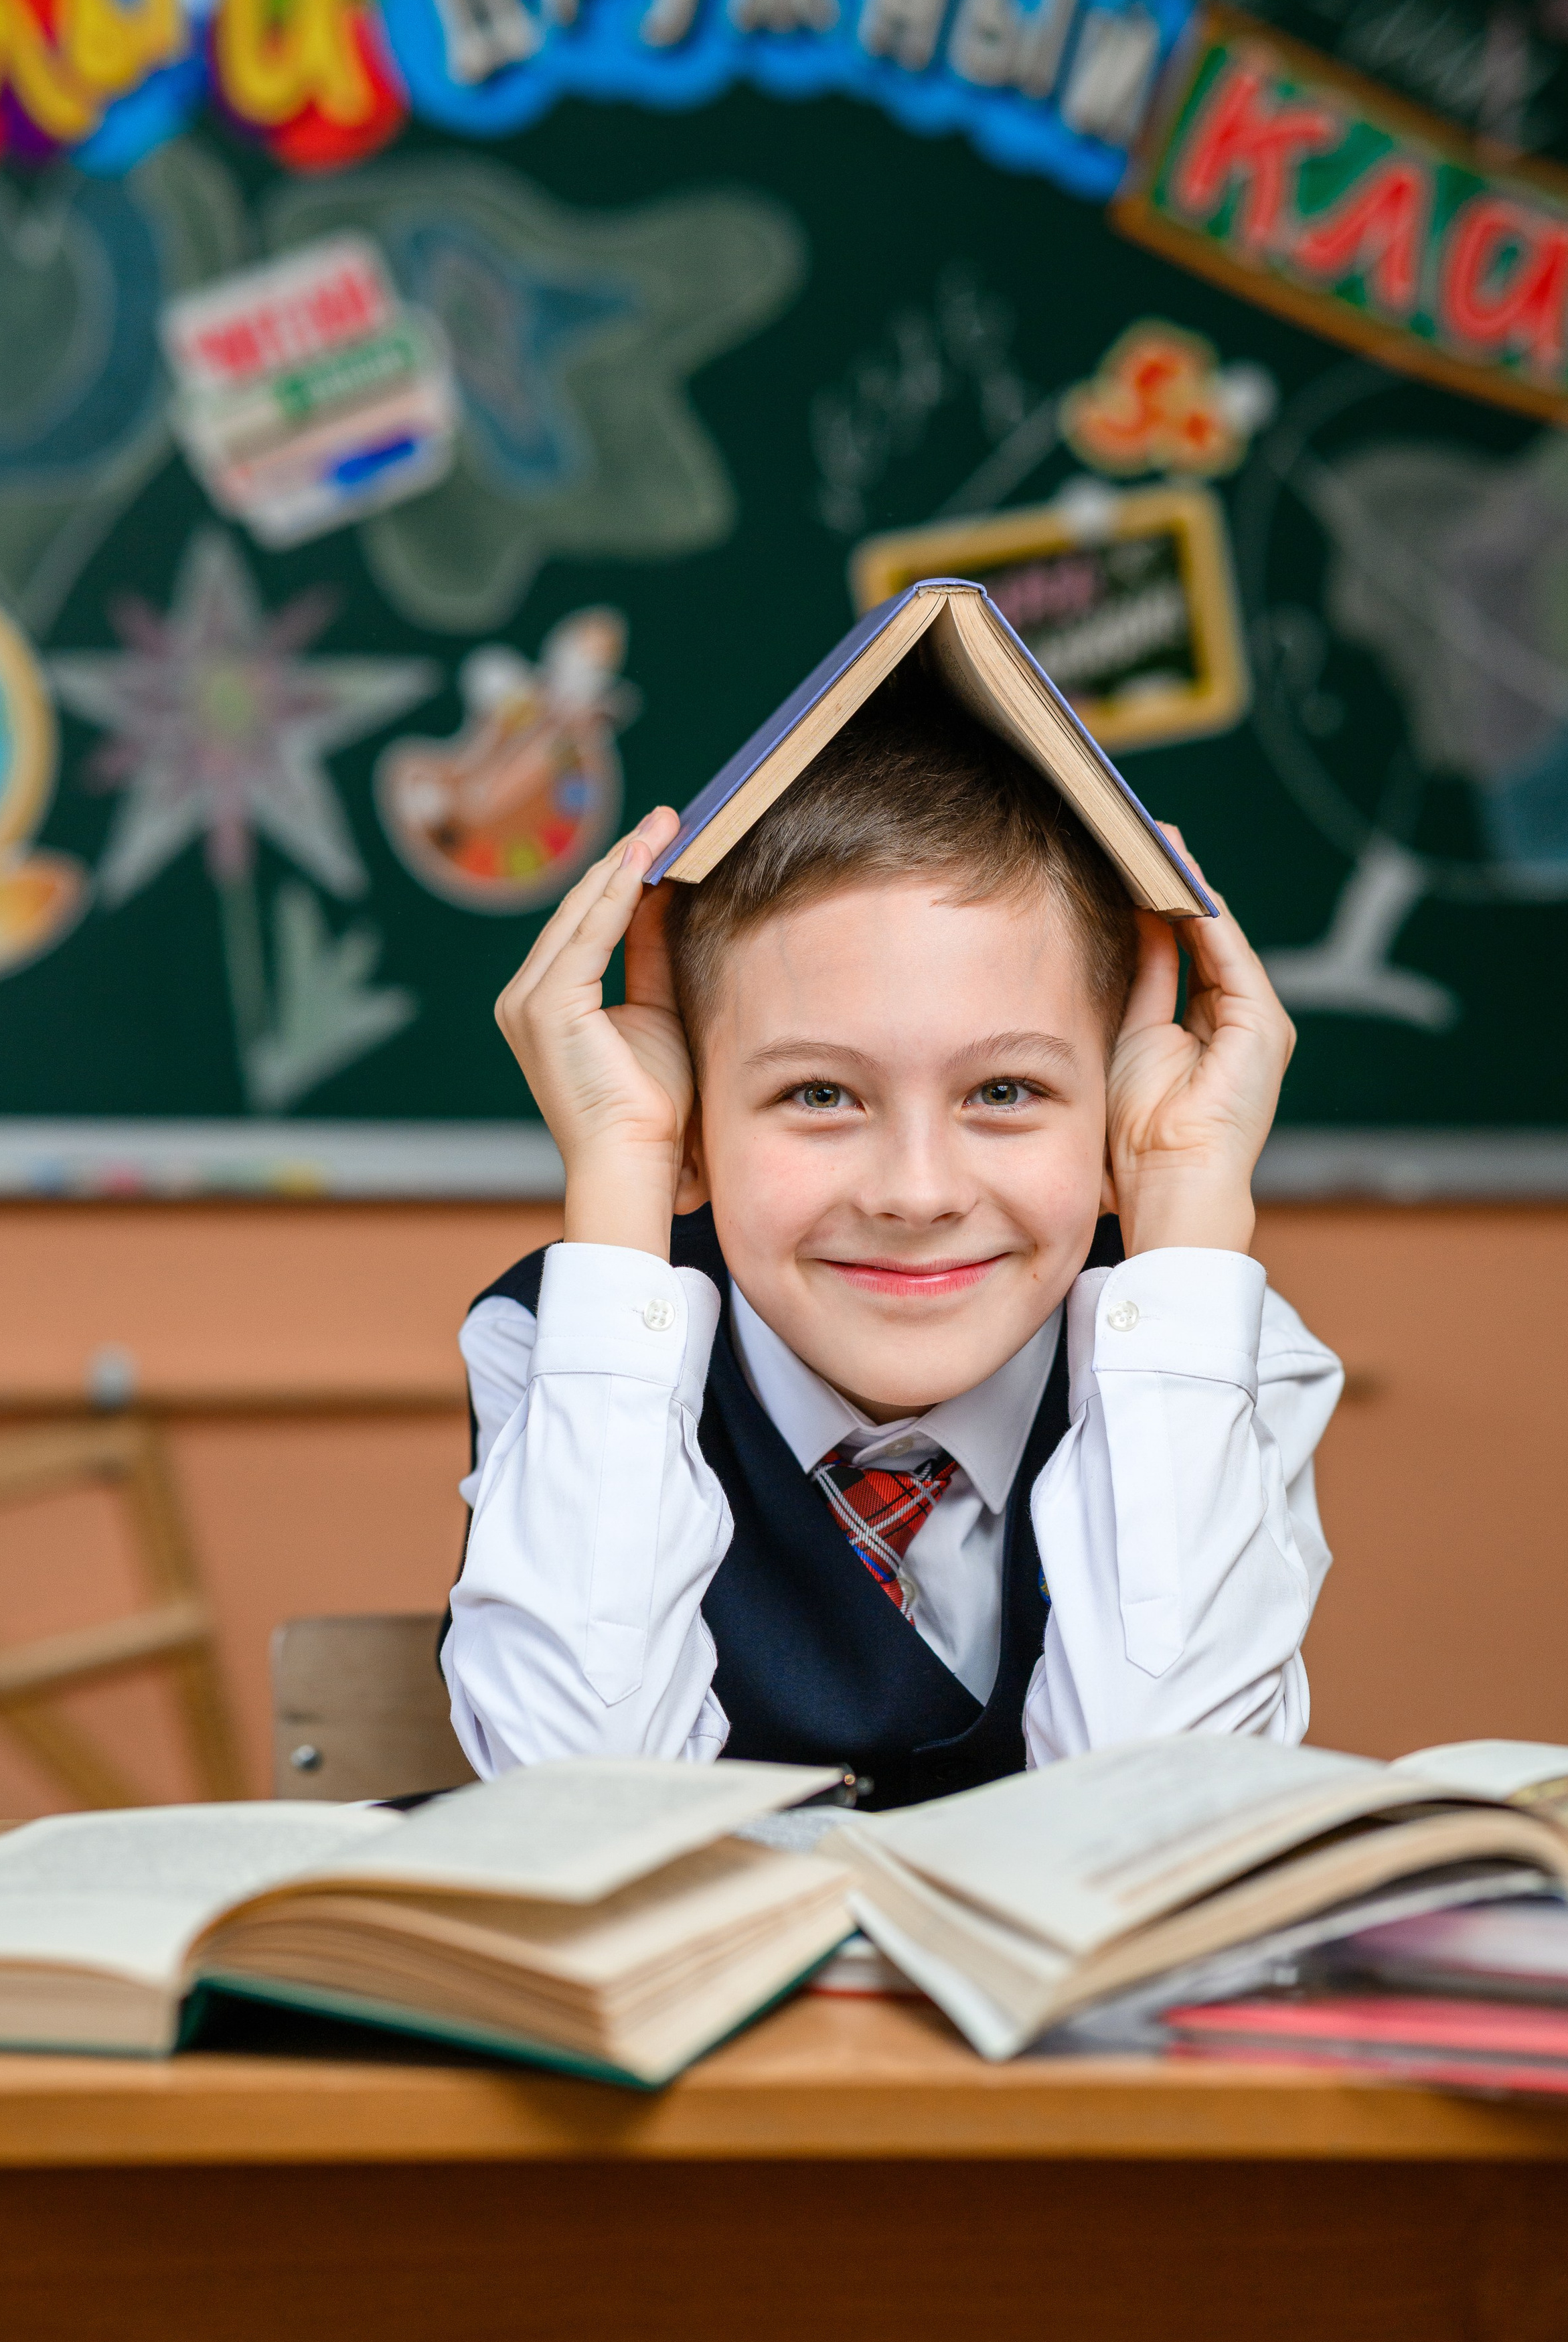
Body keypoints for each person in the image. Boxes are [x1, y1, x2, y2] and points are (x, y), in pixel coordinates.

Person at [443, 685, 1342, 1807]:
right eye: (820, 1093)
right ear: (694, 1126)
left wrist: (1180, 1200)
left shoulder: (1222, 1362)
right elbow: (574, 1811)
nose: (917, 1194)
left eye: (1004, 1090)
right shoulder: (559, 1341)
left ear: (1109, 1119)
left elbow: (1163, 1816)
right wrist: (630, 1167)